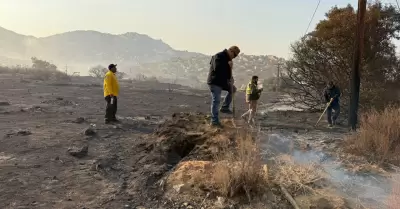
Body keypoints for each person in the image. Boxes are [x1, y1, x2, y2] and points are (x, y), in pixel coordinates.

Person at [207, 46, 240, 127]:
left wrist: (230, 76)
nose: (234, 57)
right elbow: (217, 69)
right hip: (215, 81)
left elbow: (228, 75)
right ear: (231, 51)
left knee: (233, 89)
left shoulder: (228, 60)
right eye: (234, 55)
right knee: (216, 100)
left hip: (222, 82)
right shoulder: (219, 56)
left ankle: (225, 107)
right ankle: (214, 121)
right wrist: (228, 66)